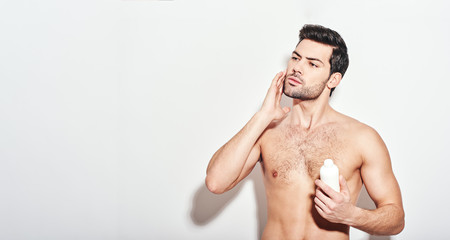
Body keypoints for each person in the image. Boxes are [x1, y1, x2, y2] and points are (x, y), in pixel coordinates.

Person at [205, 24, 405, 239]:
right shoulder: (267, 132)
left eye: (312, 64)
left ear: (333, 79)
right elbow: (216, 182)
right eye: (296, 58)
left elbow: (396, 220)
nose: (297, 68)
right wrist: (262, 116)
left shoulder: (362, 138)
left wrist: (350, 215)